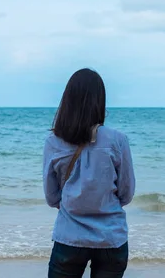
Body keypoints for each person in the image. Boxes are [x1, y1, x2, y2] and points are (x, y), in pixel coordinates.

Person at [43, 68, 136, 278]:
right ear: (99, 101)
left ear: (67, 101)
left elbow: (51, 197)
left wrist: (74, 202)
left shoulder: (53, 142)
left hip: (69, 237)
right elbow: (126, 193)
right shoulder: (118, 140)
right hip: (111, 238)